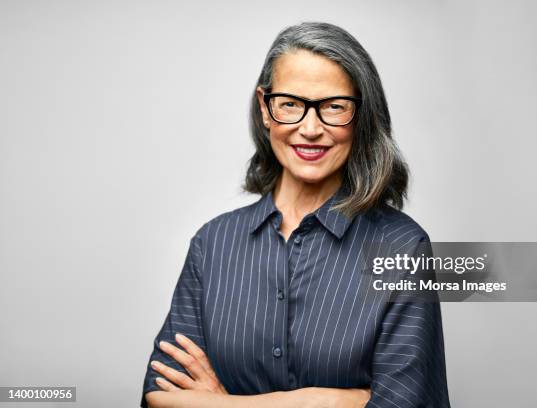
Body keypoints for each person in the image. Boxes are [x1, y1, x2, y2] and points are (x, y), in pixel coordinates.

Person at [140, 22, 451, 408]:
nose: (310, 128)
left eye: (334, 107)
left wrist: (220, 403)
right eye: (290, 104)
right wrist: (329, 402)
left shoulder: (404, 248)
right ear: (265, 108)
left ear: (361, 117)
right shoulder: (212, 243)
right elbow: (160, 396)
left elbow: (406, 405)